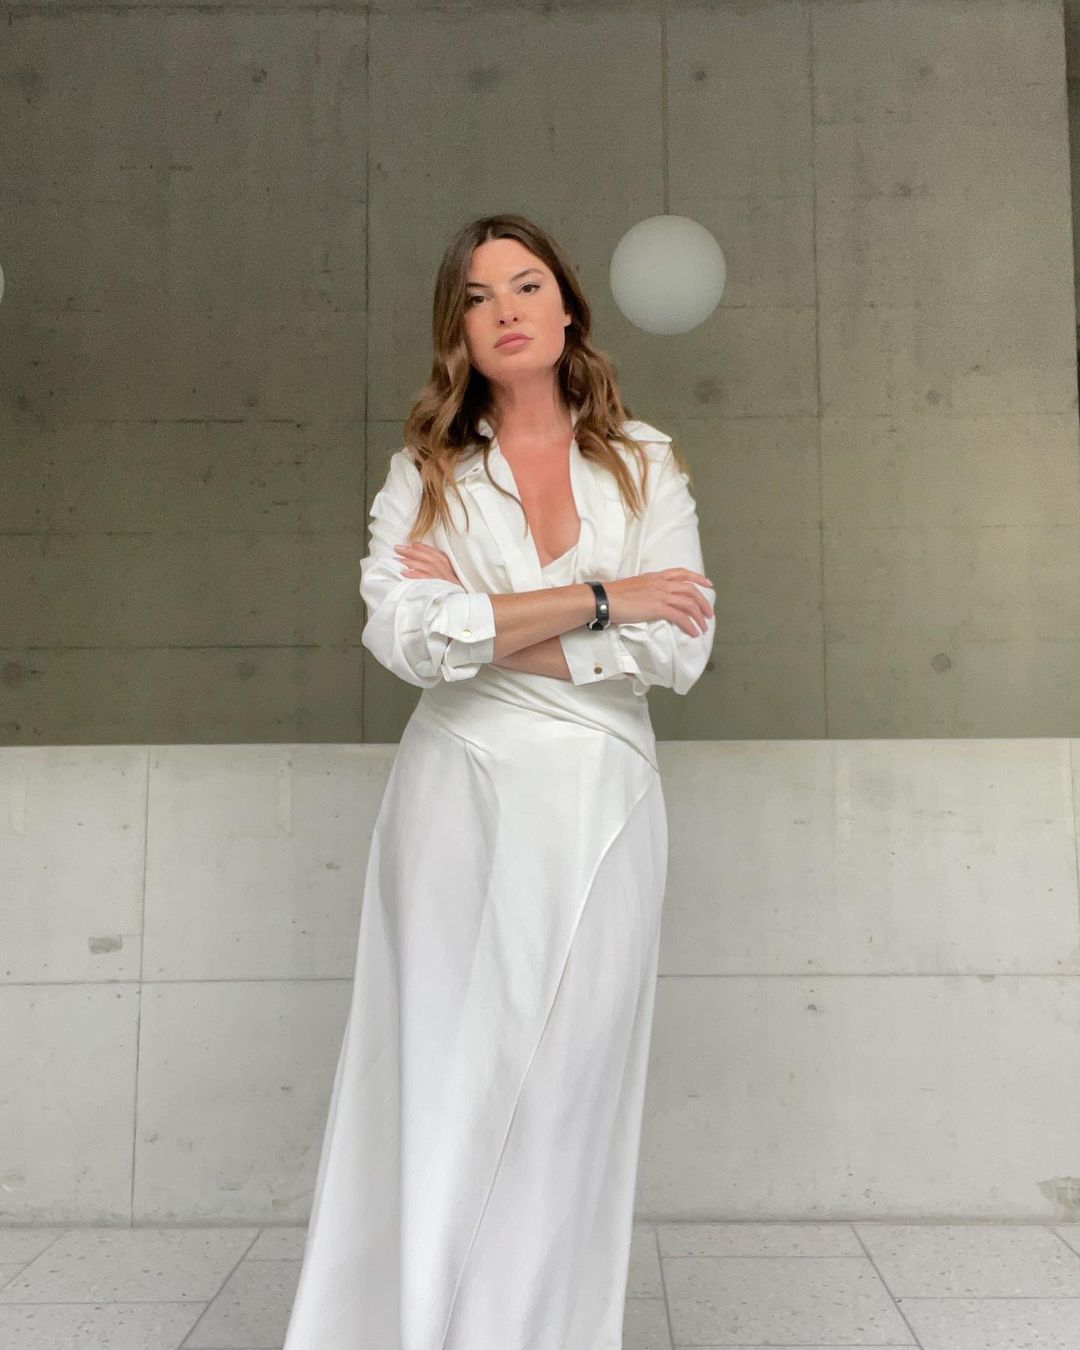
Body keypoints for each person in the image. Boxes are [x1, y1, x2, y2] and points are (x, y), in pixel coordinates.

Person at [281, 213, 716, 1350]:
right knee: (443, 1079)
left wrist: (485, 622)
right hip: (458, 797)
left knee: (569, 1090)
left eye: (526, 285)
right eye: (478, 297)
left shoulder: (646, 461)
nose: (506, 310)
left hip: (605, 798)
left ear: (568, 306)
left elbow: (681, 648)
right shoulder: (426, 473)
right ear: (458, 330)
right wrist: (605, 599)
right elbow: (406, 638)